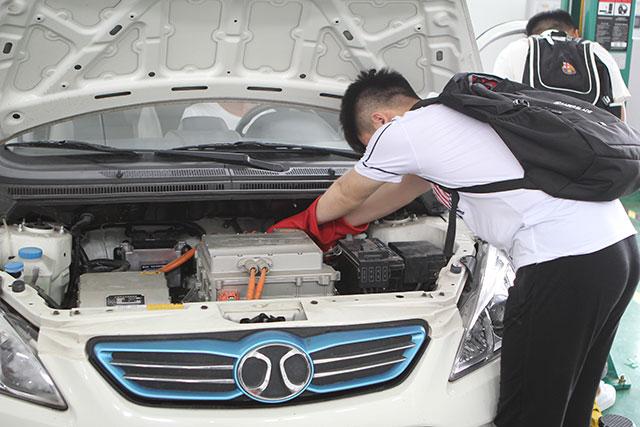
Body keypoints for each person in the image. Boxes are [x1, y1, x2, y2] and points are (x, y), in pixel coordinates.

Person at [269, 69, 639, 427]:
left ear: (380, 120)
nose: (375, 157)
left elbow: (347, 192)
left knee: (529, 412)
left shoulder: (404, 131)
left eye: (369, 148)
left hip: (563, 262)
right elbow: (396, 194)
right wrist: (340, 227)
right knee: (571, 403)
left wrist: (296, 228)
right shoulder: (453, 117)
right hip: (615, 250)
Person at [493, 9, 631, 120]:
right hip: (590, 143)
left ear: (529, 36)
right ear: (576, 33)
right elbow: (619, 114)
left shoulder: (516, 49)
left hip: (530, 141)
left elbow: (496, 102)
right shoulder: (597, 51)